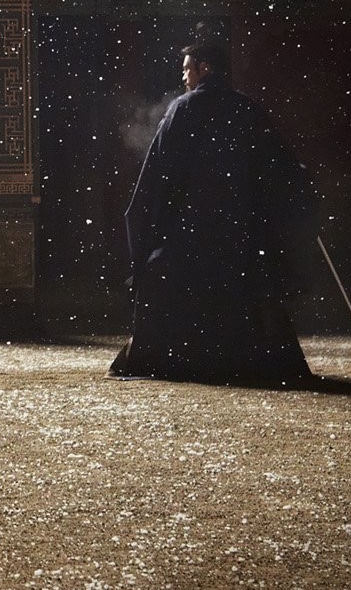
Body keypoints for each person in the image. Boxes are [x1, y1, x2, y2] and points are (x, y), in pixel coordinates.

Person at [110, 40, 316, 387]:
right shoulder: (248, 110)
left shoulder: (182, 110)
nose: (185, 77)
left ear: (204, 68)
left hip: (189, 236)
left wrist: (145, 230)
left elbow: (156, 179)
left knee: (161, 275)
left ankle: (174, 360)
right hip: (241, 238)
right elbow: (281, 171)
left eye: (188, 69)